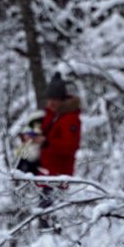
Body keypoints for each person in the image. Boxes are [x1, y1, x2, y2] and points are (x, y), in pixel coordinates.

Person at [38, 73, 81, 207]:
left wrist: (47, 143)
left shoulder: (70, 119)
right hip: (46, 176)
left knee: (49, 218)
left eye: (55, 99)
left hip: (58, 178)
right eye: (49, 98)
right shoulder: (51, 117)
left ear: (62, 100)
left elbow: (70, 146)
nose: (51, 102)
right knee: (44, 217)